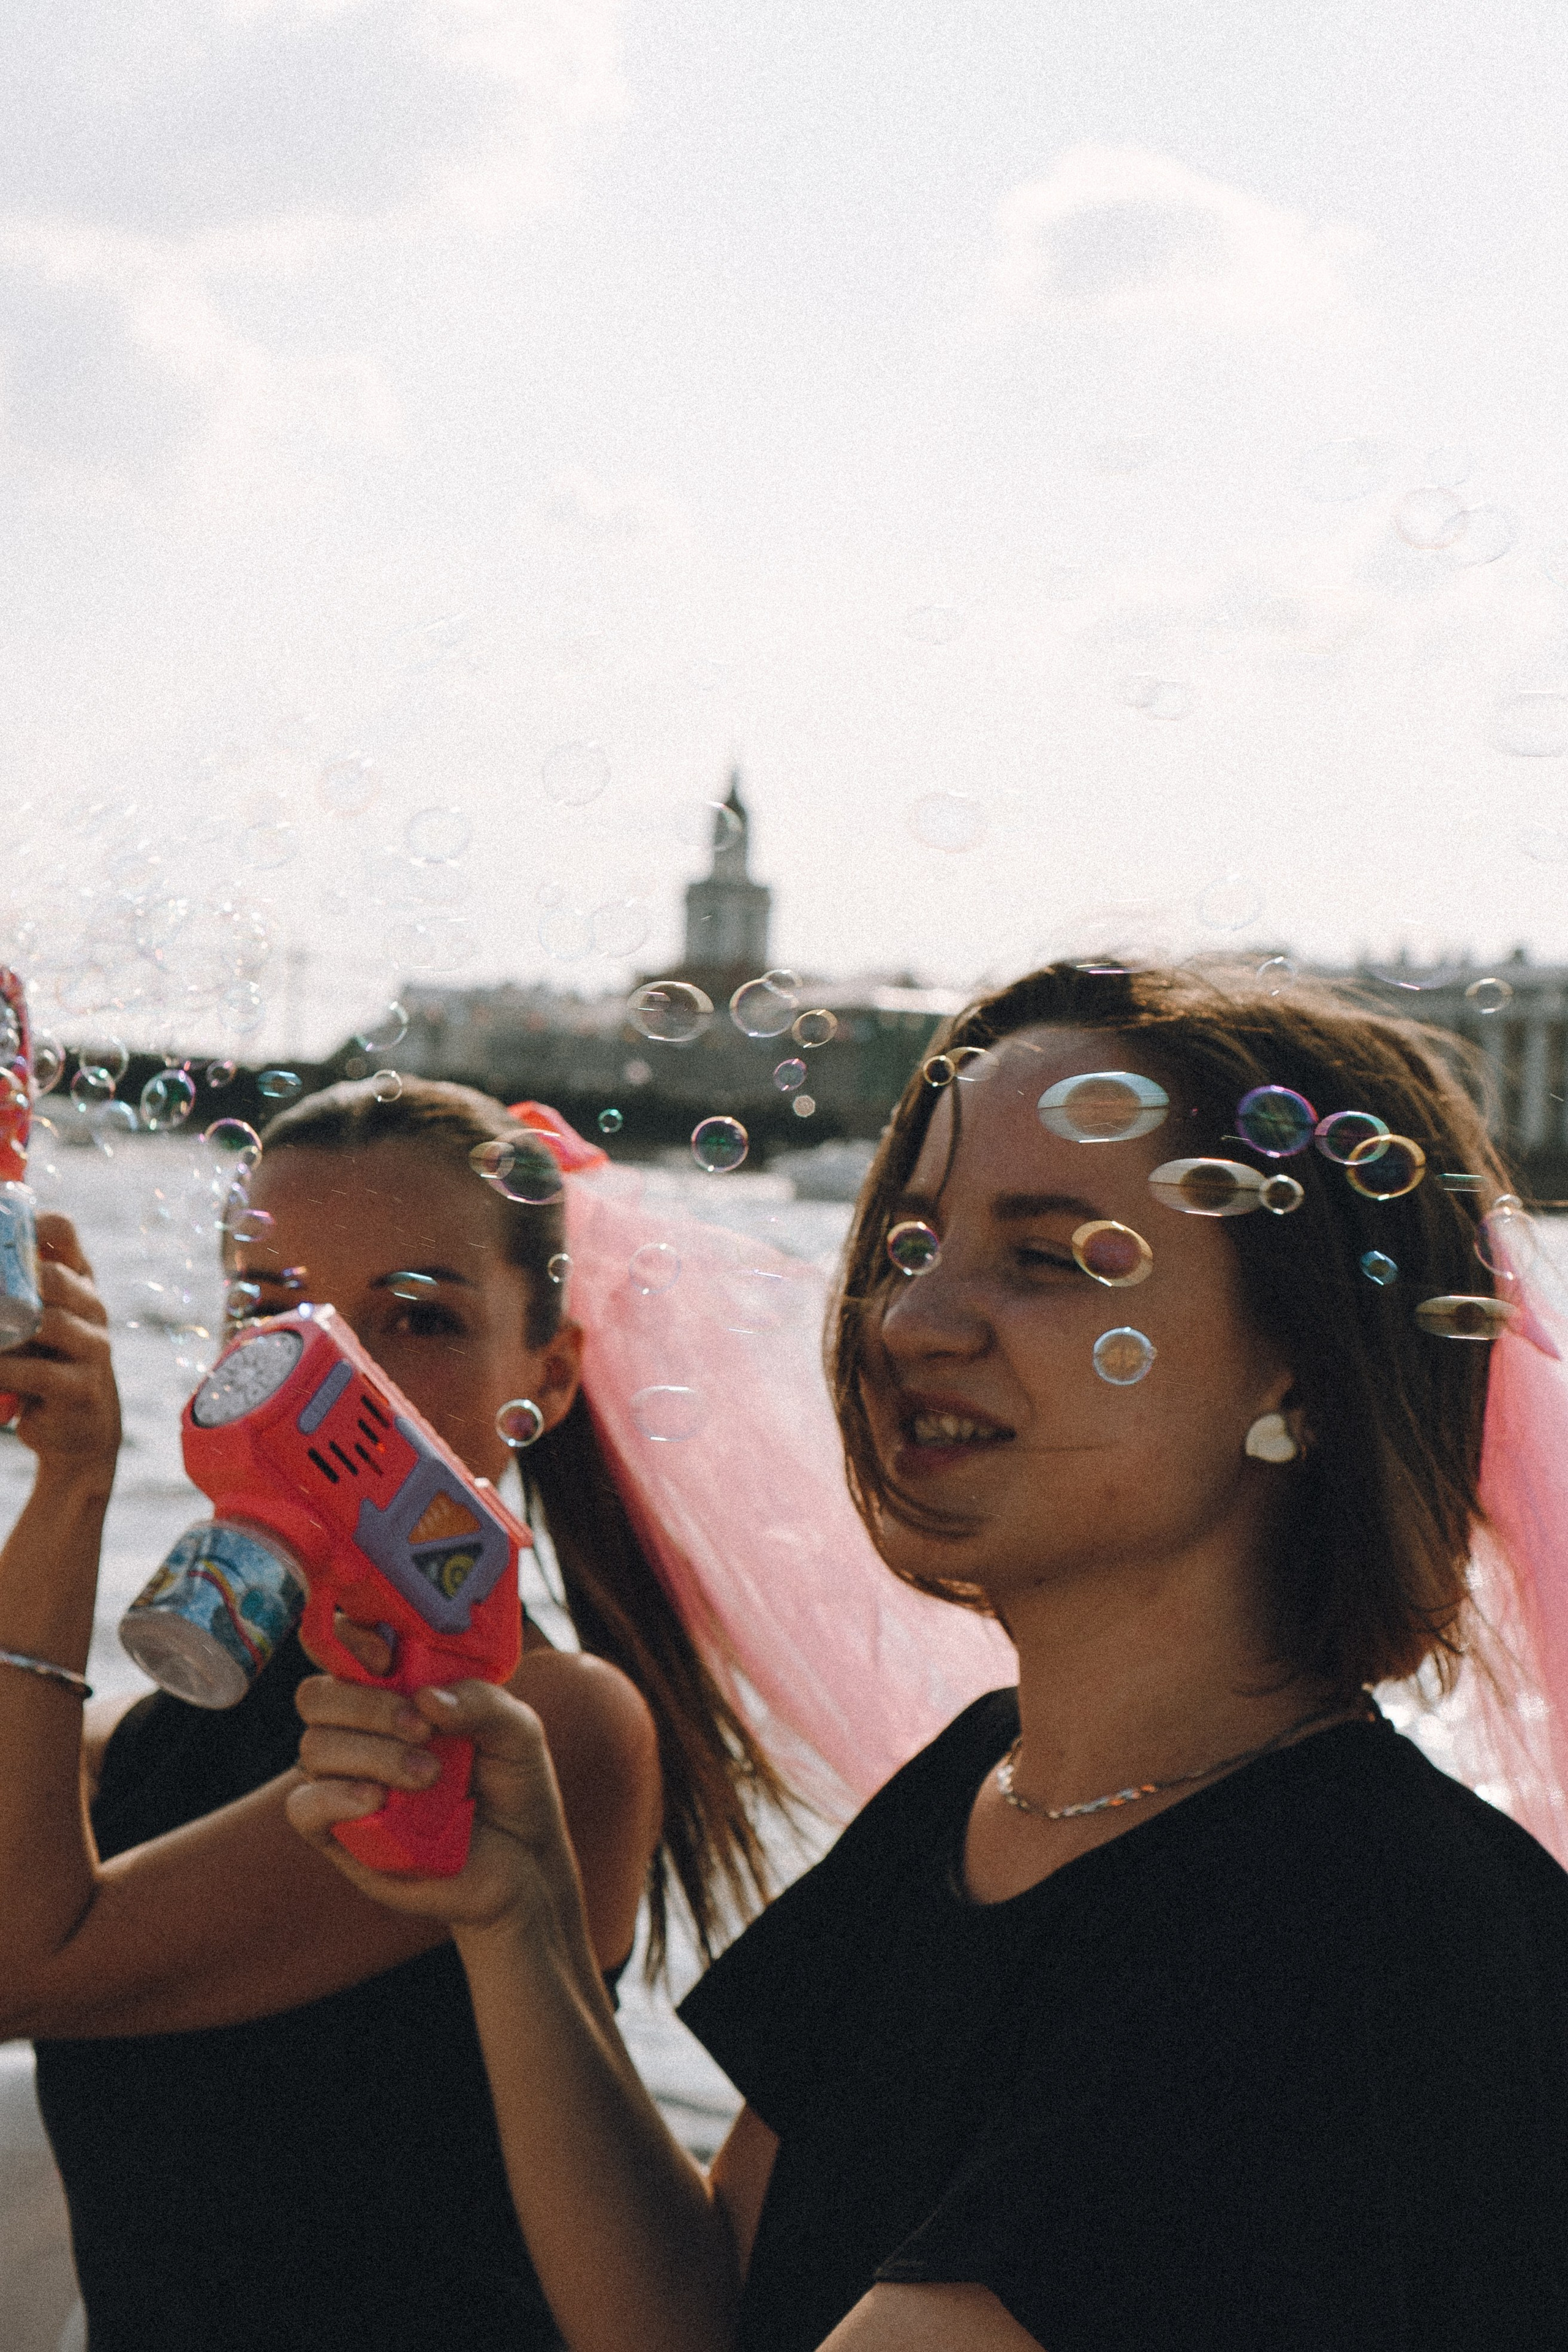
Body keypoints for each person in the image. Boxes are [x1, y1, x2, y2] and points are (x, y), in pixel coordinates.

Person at [290, 962, 1568, 2352]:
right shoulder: (981, 1786)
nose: (909, 1323)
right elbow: (697, 2318)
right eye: (907, 1246)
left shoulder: (1355, 1927)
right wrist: (519, 1925)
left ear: (1300, 1368)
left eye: (1048, 1258)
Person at [0, 1076, 1001, 2352]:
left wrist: (77, 1487)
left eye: (417, 1317)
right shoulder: (174, 1727)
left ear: (552, 1373)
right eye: (271, 1309)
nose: (337, 1368)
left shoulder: (538, 1727)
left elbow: (20, 1961)